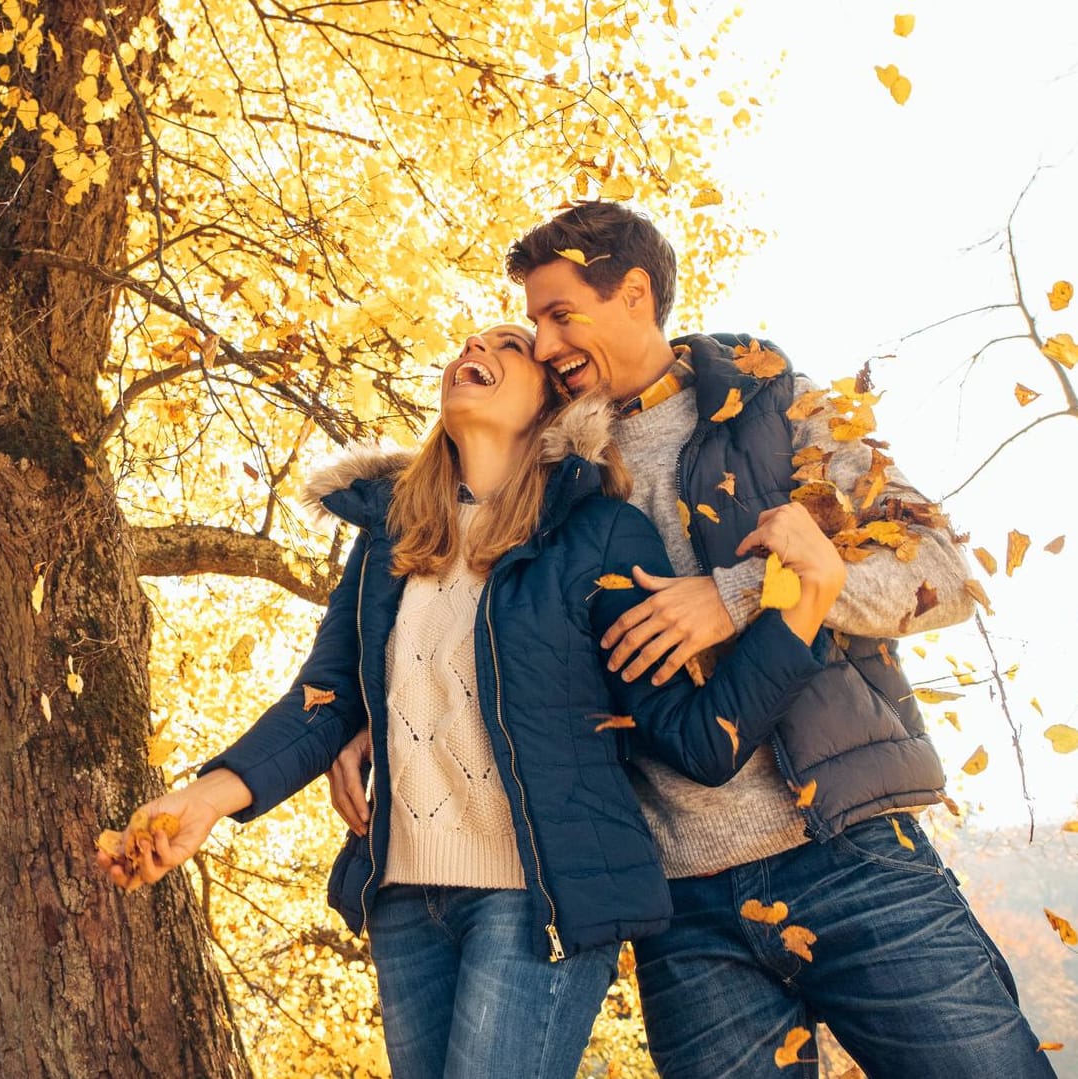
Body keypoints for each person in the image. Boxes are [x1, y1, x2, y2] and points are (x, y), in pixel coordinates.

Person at [330, 202, 1056, 1078]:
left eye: (561, 314)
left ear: (634, 293)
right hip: (681, 911)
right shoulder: (548, 472)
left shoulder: (780, 409)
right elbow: (475, 629)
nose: (547, 342)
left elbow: (939, 568)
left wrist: (737, 593)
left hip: (850, 852)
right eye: (533, 322)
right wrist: (380, 711)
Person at [98, 321, 848, 1079]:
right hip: (402, 900)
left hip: (537, 900)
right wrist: (205, 799)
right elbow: (323, 699)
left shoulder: (601, 533)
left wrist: (804, 606)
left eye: (509, 346)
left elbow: (697, 739)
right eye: (465, 345)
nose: (474, 353)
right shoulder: (389, 539)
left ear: (554, 404)